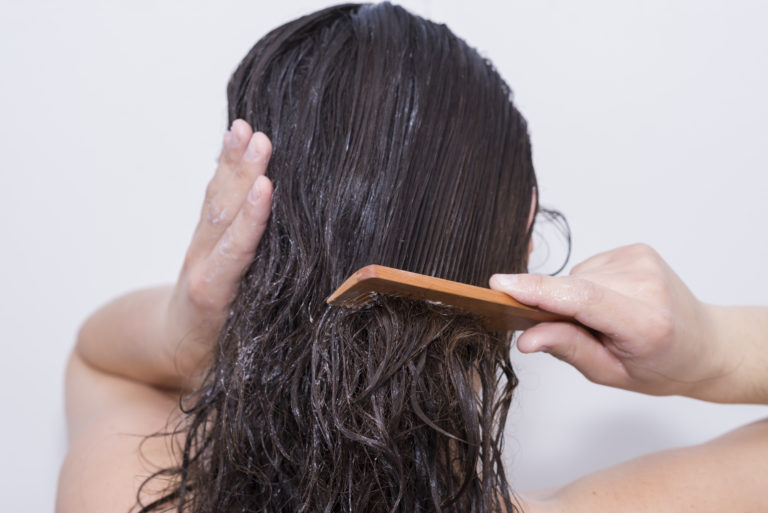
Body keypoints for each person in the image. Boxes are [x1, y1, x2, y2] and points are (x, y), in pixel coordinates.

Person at [56, 3, 768, 513]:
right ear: (518, 246)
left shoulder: (116, 488)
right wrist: (712, 348)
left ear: (249, 230)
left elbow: (97, 357)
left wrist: (191, 315)